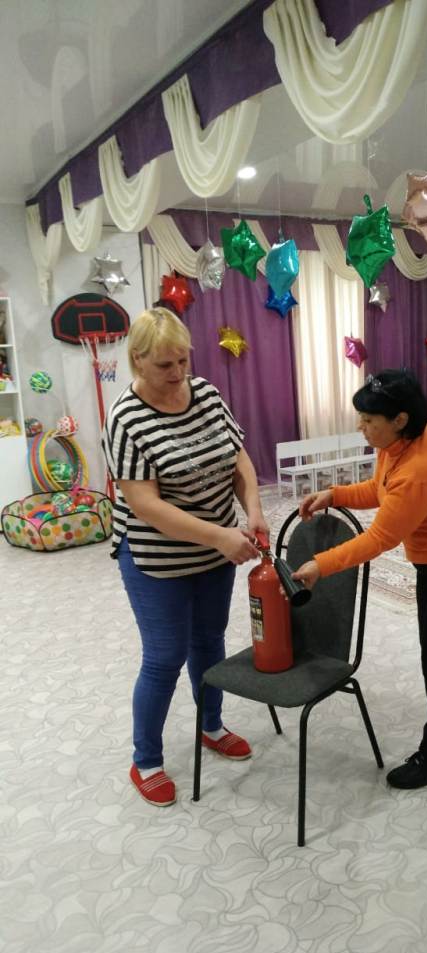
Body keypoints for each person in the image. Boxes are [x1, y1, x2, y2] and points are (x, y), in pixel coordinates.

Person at [292, 369, 427, 790]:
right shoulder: (398, 445)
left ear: (400, 419)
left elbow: (380, 538)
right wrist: (335, 495)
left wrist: (321, 564)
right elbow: (380, 490)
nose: (360, 427)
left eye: (368, 420)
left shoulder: (422, 465)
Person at [102, 307, 268, 807]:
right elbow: (145, 505)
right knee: (164, 656)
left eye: (182, 361)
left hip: (216, 549)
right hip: (158, 559)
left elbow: (238, 457)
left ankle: (210, 726)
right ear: (137, 360)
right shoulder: (125, 418)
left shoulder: (207, 395)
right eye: (163, 365)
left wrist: (253, 510)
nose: (177, 374)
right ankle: (146, 760)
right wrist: (219, 537)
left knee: (209, 641)